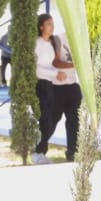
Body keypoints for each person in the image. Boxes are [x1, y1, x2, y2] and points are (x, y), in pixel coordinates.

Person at [33, 13, 81, 163]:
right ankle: (39, 150)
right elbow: (51, 63)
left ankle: (72, 152)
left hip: (65, 85)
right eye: (48, 24)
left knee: (73, 121)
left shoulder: (52, 43)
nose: (52, 26)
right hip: (52, 85)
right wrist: (60, 71)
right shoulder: (54, 40)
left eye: (52, 23)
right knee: (49, 120)